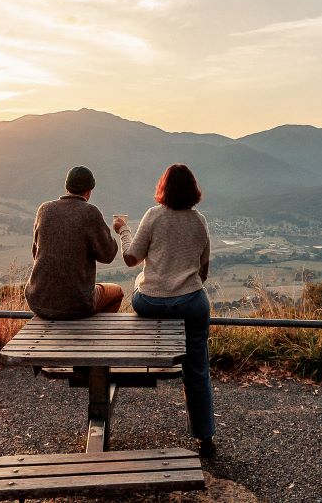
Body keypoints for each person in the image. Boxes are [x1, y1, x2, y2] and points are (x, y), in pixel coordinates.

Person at [118, 164, 216, 456]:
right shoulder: (200, 222)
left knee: (139, 282)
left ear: (164, 188)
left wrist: (122, 230)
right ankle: (204, 437)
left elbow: (131, 258)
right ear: (193, 190)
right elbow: (204, 270)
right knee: (197, 369)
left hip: (151, 303)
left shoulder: (153, 215)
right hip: (191, 303)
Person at [24, 165, 126, 319]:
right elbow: (108, 255)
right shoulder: (90, 212)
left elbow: (36, 253)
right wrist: (114, 231)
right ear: (89, 191)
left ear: (66, 187)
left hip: (38, 301)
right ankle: (92, 334)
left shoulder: (44, 210)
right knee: (117, 292)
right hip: (77, 305)